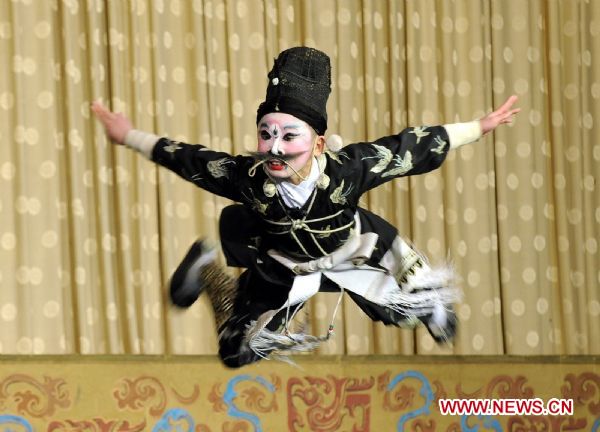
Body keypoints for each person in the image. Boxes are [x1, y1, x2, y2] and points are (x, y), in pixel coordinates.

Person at [92, 47, 519, 368]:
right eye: (266, 134)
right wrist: (129, 135)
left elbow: (412, 147)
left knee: (398, 311)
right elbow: (189, 159)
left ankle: (425, 304)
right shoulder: (249, 177)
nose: (274, 147)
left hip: (351, 252)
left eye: (288, 136)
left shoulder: (349, 169)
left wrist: (479, 127)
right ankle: (206, 267)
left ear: (317, 143)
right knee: (236, 354)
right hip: (282, 266)